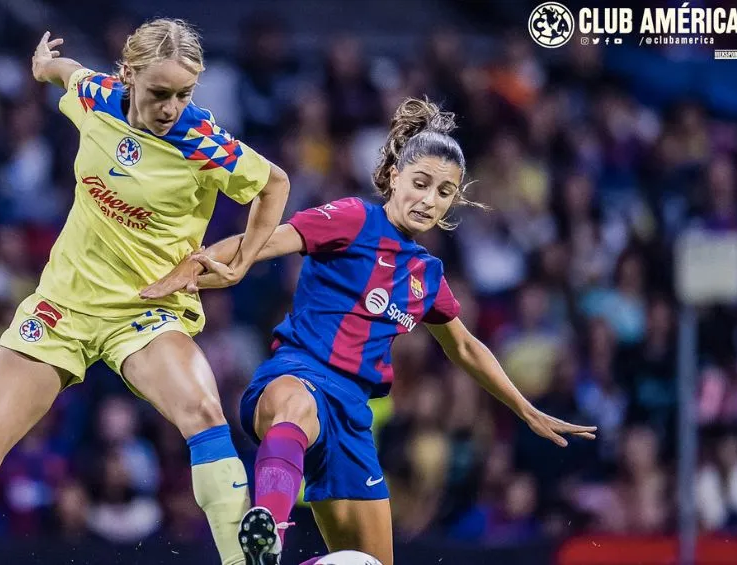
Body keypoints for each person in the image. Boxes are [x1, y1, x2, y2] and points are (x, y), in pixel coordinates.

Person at [142, 97, 596, 565]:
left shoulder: (428, 274)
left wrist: (524, 408)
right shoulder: (355, 218)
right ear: (396, 176)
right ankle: (266, 536)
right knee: (296, 408)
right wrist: (194, 268)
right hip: (298, 374)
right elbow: (264, 241)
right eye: (420, 183)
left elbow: (464, 346)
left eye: (443, 192)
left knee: (370, 564)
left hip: (354, 418)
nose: (428, 199)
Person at [0, 19, 290, 565]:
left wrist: (239, 264)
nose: (172, 107)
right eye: (158, 93)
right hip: (62, 308)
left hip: (145, 314)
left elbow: (274, 184)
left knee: (203, 412)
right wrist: (43, 64)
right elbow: (67, 73)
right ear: (128, 77)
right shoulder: (98, 96)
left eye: (184, 94)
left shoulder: (202, 141)